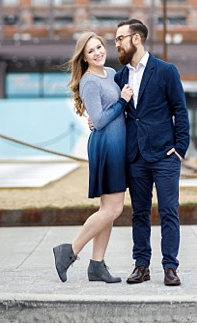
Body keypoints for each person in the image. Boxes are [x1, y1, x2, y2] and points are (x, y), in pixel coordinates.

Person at [112, 18, 189, 287]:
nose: (117, 43)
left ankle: (170, 267)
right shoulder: (119, 76)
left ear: (136, 39)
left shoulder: (166, 71)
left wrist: (180, 149)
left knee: (169, 211)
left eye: (120, 38)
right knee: (139, 213)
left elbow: (180, 111)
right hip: (135, 156)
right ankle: (141, 266)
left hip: (165, 155)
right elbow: (115, 112)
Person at [50, 32, 128, 284]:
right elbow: (102, 120)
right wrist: (123, 102)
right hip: (106, 148)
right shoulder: (89, 82)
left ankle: (97, 265)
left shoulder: (112, 74)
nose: (97, 53)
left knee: (108, 210)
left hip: (117, 146)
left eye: (99, 47)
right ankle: (69, 251)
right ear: (83, 57)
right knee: (114, 208)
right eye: (90, 51)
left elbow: (103, 116)